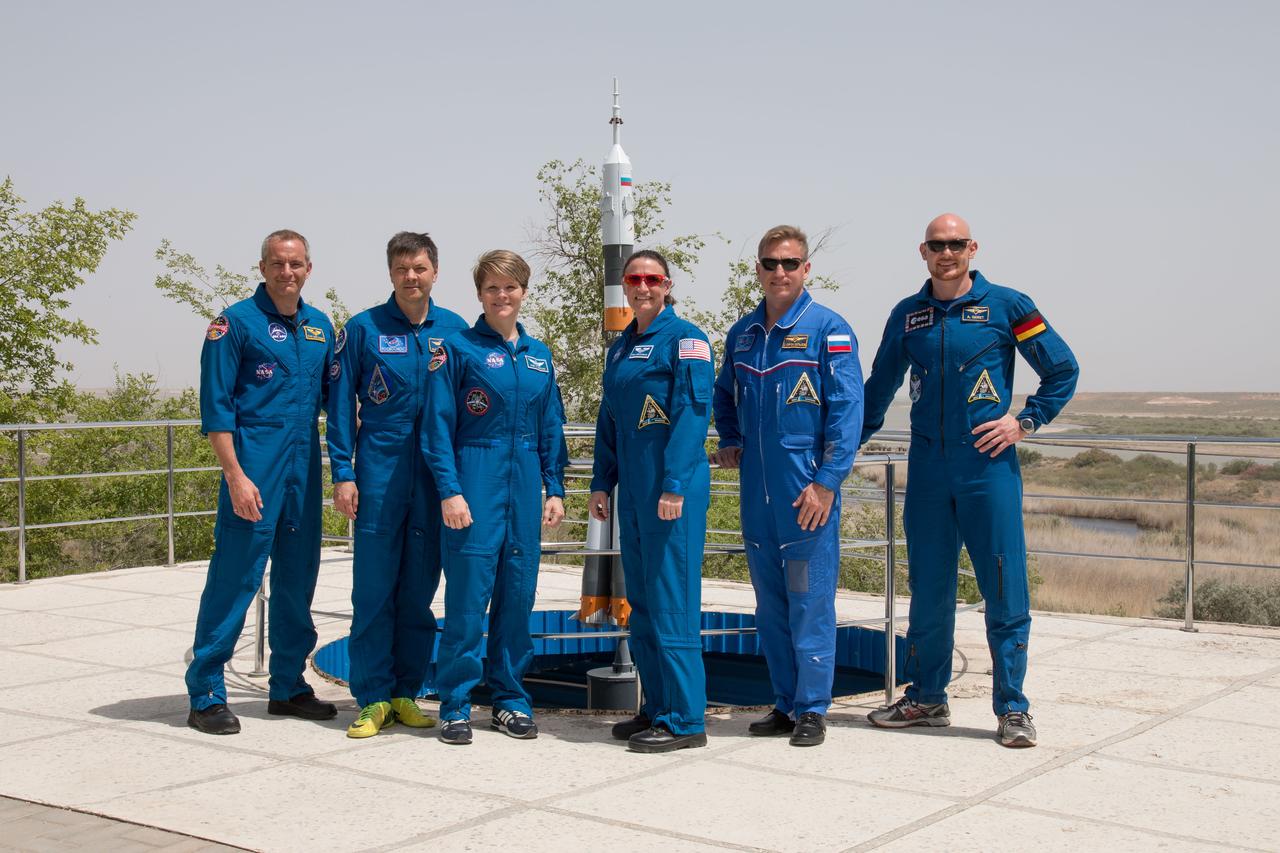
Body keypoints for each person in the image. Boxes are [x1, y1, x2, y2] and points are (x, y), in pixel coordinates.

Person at [861, 213, 1079, 748]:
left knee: (1004, 587)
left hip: (988, 468)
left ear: (972, 248)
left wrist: (1024, 421)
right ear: (923, 251)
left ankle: (1012, 709)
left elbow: (1062, 369)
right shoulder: (908, 315)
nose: (947, 252)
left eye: (956, 244)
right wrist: (841, 447)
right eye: (937, 245)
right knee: (928, 590)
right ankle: (927, 698)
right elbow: (880, 385)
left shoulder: (1009, 306)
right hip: (929, 470)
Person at [711, 225, 863, 747]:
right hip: (757, 493)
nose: (781, 272)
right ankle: (783, 702)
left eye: (791, 263)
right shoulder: (743, 334)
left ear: (806, 269)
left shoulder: (829, 330)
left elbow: (847, 413)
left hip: (806, 495)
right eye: (771, 263)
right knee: (770, 603)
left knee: (810, 600)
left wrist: (826, 483)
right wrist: (729, 438)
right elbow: (723, 394)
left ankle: (814, 708)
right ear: (757, 268)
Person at [186, 229, 337, 735]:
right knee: (236, 577)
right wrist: (234, 475)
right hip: (254, 467)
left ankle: (288, 685)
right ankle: (206, 691)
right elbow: (216, 408)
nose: (287, 272)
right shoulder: (234, 325)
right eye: (278, 263)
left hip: (302, 470)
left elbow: (334, 401)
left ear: (308, 269)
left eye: (296, 264)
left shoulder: (319, 327)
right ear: (263, 267)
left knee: (298, 579)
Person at [421, 250, 568, 745]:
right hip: (474, 479)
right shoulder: (456, 349)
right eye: (492, 288)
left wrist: (555, 487)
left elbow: (551, 427)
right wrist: (450, 490)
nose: (501, 296)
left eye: (511, 287)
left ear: (524, 292)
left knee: (517, 598)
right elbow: (436, 427)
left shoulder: (539, 355)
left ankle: (508, 700)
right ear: (479, 293)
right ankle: (456, 704)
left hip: (525, 484)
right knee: (467, 600)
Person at [326, 231, 468, 738]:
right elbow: (340, 408)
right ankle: (372, 697)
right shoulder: (362, 329)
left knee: (419, 591)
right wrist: (343, 472)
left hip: (435, 479)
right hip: (379, 474)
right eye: (403, 268)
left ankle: (407, 692)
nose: (412, 277)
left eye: (421, 268)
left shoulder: (455, 330)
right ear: (390, 273)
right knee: (373, 591)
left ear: (435, 272)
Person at [589, 250, 714, 754]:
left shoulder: (688, 339)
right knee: (642, 604)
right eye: (634, 278)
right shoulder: (621, 347)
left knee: (672, 603)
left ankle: (685, 720)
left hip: (670, 495)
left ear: (667, 284)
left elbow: (692, 413)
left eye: (652, 279)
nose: (642, 286)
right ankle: (657, 706)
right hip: (634, 493)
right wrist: (602, 480)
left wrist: (675, 485)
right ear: (625, 284)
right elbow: (609, 419)